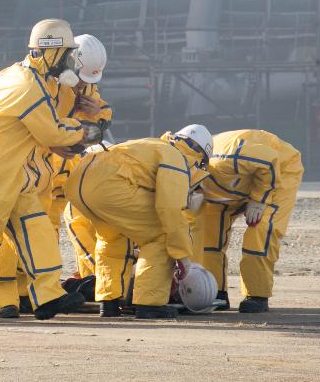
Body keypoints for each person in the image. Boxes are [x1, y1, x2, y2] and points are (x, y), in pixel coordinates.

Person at [0, 19, 103, 323]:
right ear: (53, 52)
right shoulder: (26, 85)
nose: (70, 60)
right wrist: (87, 131)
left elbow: (33, 129)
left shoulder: (18, 77)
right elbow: (54, 132)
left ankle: (47, 295)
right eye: (67, 53)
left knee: (37, 228)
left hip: (13, 172)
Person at [0, 34, 112, 317]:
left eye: (88, 82)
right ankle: (3, 299)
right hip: (23, 167)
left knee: (41, 237)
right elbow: (36, 126)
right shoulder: (40, 84)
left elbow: (100, 121)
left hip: (53, 177)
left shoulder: (86, 88)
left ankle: (29, 293)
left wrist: (96, 116)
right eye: (80, 79)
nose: (83, 86)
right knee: (7, 239)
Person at [65, 125, 212, 319]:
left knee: (112, 239)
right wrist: (182, 254)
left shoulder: (152, 144)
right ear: (200, 156)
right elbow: (169, 209)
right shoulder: (176, 158)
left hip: (79, 182)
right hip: (109, 186)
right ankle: (149, 304)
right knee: (160, 236)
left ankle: (108, 301)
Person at [191, 129, 304, 313]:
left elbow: (268, 161)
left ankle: (257, 294)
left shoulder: (224, 158)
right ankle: (214, 291)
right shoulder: (185, 169)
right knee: (209, 234)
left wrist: (259, 200)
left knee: (260, 230)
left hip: (278, 170)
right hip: (231, 182)